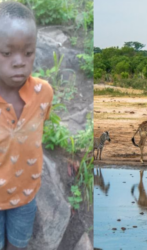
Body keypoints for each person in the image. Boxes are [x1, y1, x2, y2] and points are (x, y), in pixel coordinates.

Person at [0, 1, 53, 249]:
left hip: (25, 196)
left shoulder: (44, 93)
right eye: (7, 53)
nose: (19, 61)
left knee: (18, 245)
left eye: (28, 53)